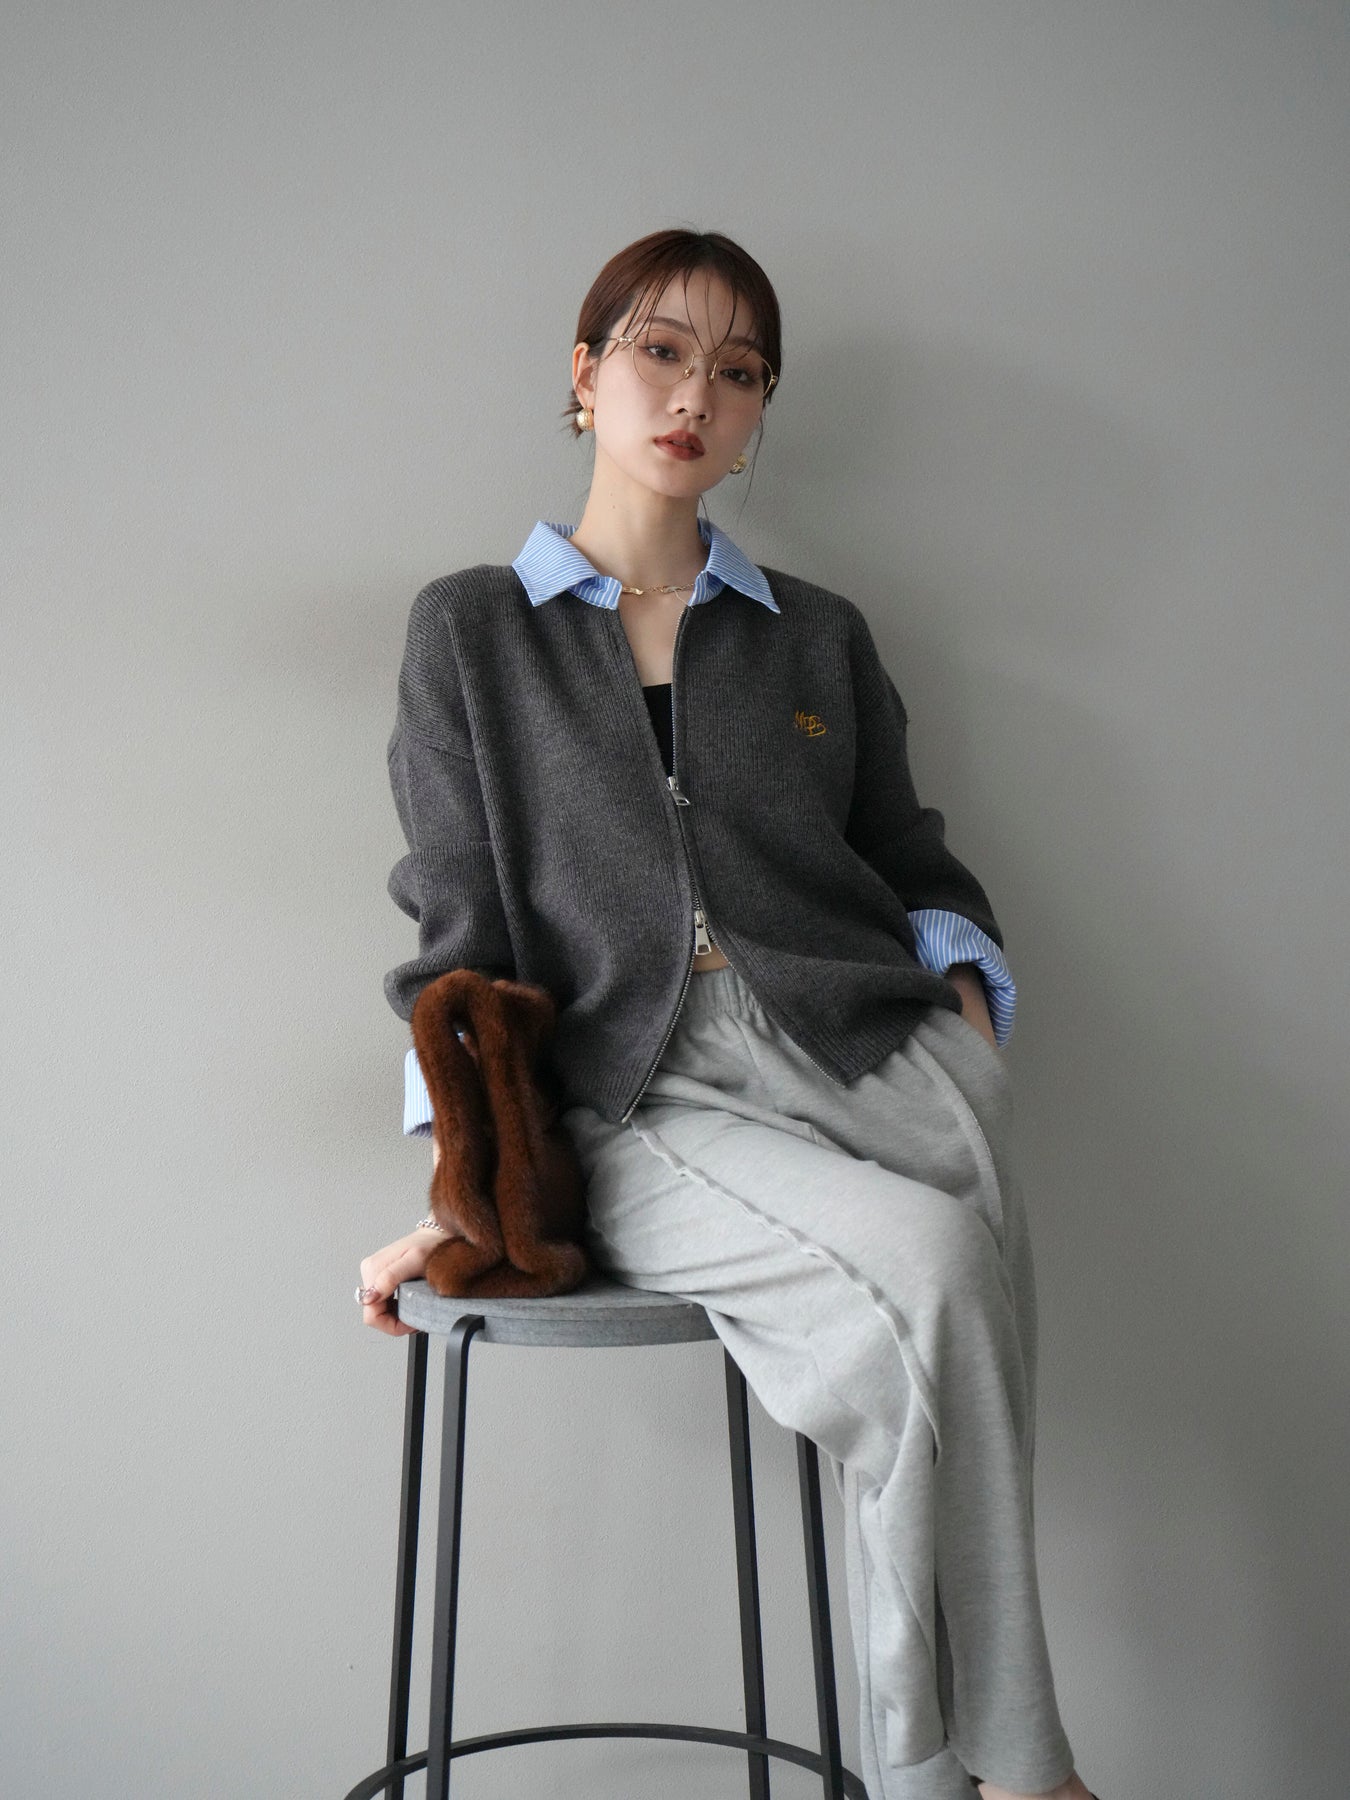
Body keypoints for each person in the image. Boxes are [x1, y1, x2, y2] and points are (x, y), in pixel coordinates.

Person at [358, 227, 1100, 1800]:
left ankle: (959, 1770)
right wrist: (458, 1193)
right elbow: (456, 937)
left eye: (738, 370)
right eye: (660, 351)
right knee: (933, 1275)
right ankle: (1008, 1773)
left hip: (868, 1049)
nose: (696, 394)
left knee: (960, 1344)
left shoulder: (813, 632)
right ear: (585, 376)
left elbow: (908, 855)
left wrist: (966, 1010)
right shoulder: (472, 630)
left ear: (760, 413)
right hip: (638, 1094)